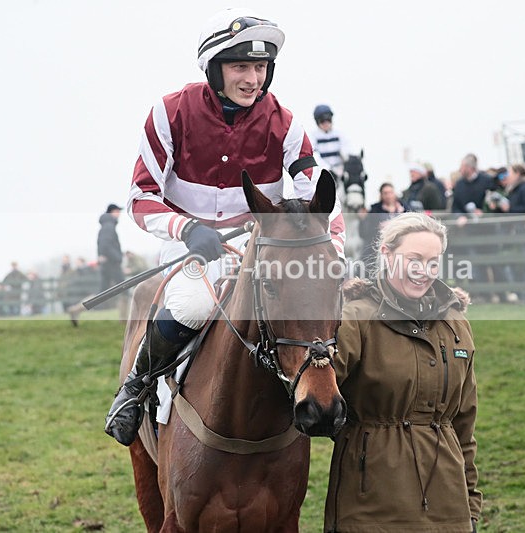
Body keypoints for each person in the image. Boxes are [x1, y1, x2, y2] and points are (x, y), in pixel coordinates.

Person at [105, 7, 345, 446]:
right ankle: (135, 387)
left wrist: (333, 253)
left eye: (260, 67)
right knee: (195, 304)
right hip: (189, 246)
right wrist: (187, 230)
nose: (253, 78)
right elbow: (141, 198)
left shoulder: (286, 123)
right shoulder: (169, 112)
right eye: (240, 66)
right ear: (214, 70)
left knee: (312, 310)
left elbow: (321, 197)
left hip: (258, 249)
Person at [324, 213, 481, 533]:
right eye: (414, 259)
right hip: (370, 501)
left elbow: (464, 422)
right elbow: (316, 398)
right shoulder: (355, 317)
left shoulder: (455, 323)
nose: (424, 271)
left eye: (433, 262)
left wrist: (471, 503)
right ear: (386, 254)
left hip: (448, 503)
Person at [358, 183, 409, 273]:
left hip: (402, 244)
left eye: (390, 192)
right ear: (381, 195)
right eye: (385, 193)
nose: (388, 196)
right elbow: (365, 233)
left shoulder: (405, 208)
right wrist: (363, 220)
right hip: (380, 245)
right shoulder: (375, 210)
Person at [310, 104, 355, 180]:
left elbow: (346, 150)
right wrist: (328, 169)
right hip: (322, 173)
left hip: (340, 172)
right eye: (323, 121)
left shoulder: (339, 134)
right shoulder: (313, 137)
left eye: (328, 120)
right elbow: (315, 156)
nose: (326, 123)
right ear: (317, 122)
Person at [451, 154, 496, 223]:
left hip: (486, 225)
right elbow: (455, 206)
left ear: (469, 167)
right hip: (466, 227)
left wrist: (484, 212)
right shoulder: (459, 184)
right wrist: (460, 216)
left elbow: (493, 203)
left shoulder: (487, 181)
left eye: (462, 166)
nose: (460, 169)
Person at [97, 204, 125, 295]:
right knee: (123, 287)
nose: (119, 214)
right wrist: (118, 257)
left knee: (104, 291)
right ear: (112, 212)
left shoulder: (106, 225)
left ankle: (92, 307)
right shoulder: (109, 226)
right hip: (111, 262)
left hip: (108, 262)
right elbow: (105, 245)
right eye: (117, 212)